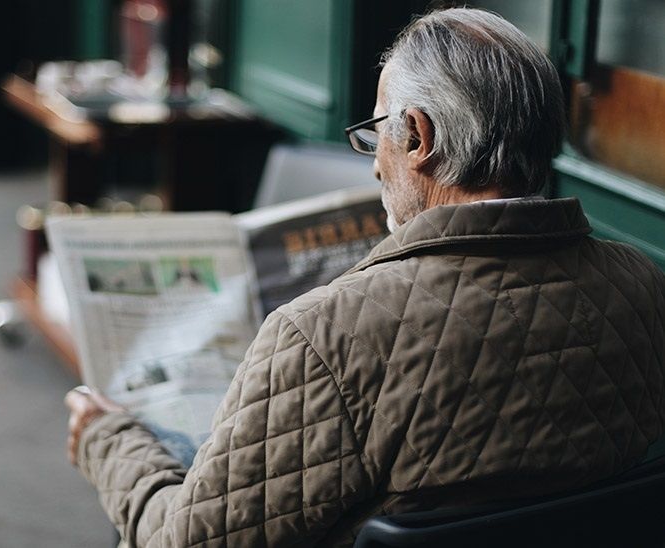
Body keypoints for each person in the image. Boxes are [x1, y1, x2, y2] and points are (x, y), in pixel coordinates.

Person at [64, 8, 665, 547]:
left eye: (377, 131)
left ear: (419, 136)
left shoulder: (325, 336)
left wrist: (107, 439)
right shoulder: (643, 285)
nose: (375, 159)